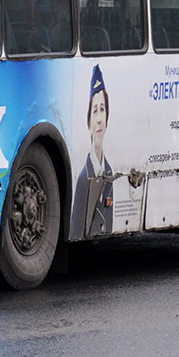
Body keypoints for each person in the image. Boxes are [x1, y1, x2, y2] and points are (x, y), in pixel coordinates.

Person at [72, 65, 115, 238]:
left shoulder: (110, 171)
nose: (99, 119)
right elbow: (76, 230)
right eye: (95, 111)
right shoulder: (84, 178)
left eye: (102, 110)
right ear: (89, 122)